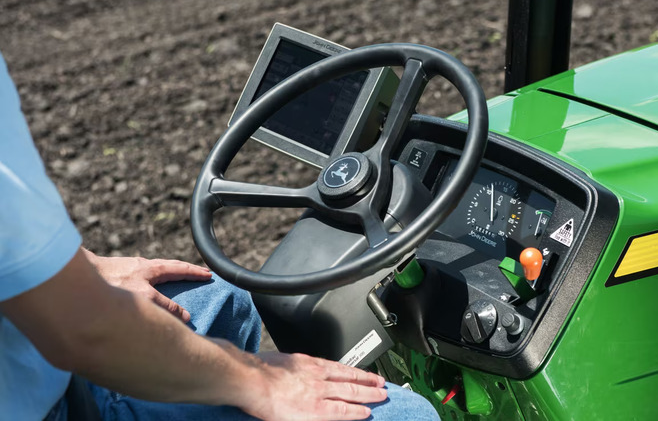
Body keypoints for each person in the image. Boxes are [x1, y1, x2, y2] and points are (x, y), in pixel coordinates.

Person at [0, 53, 440, 421]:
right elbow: (90, 331)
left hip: (30, 360)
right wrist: (260, 381)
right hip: (57, 402)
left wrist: (86, 269)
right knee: (403, 414)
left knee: (217, 295)